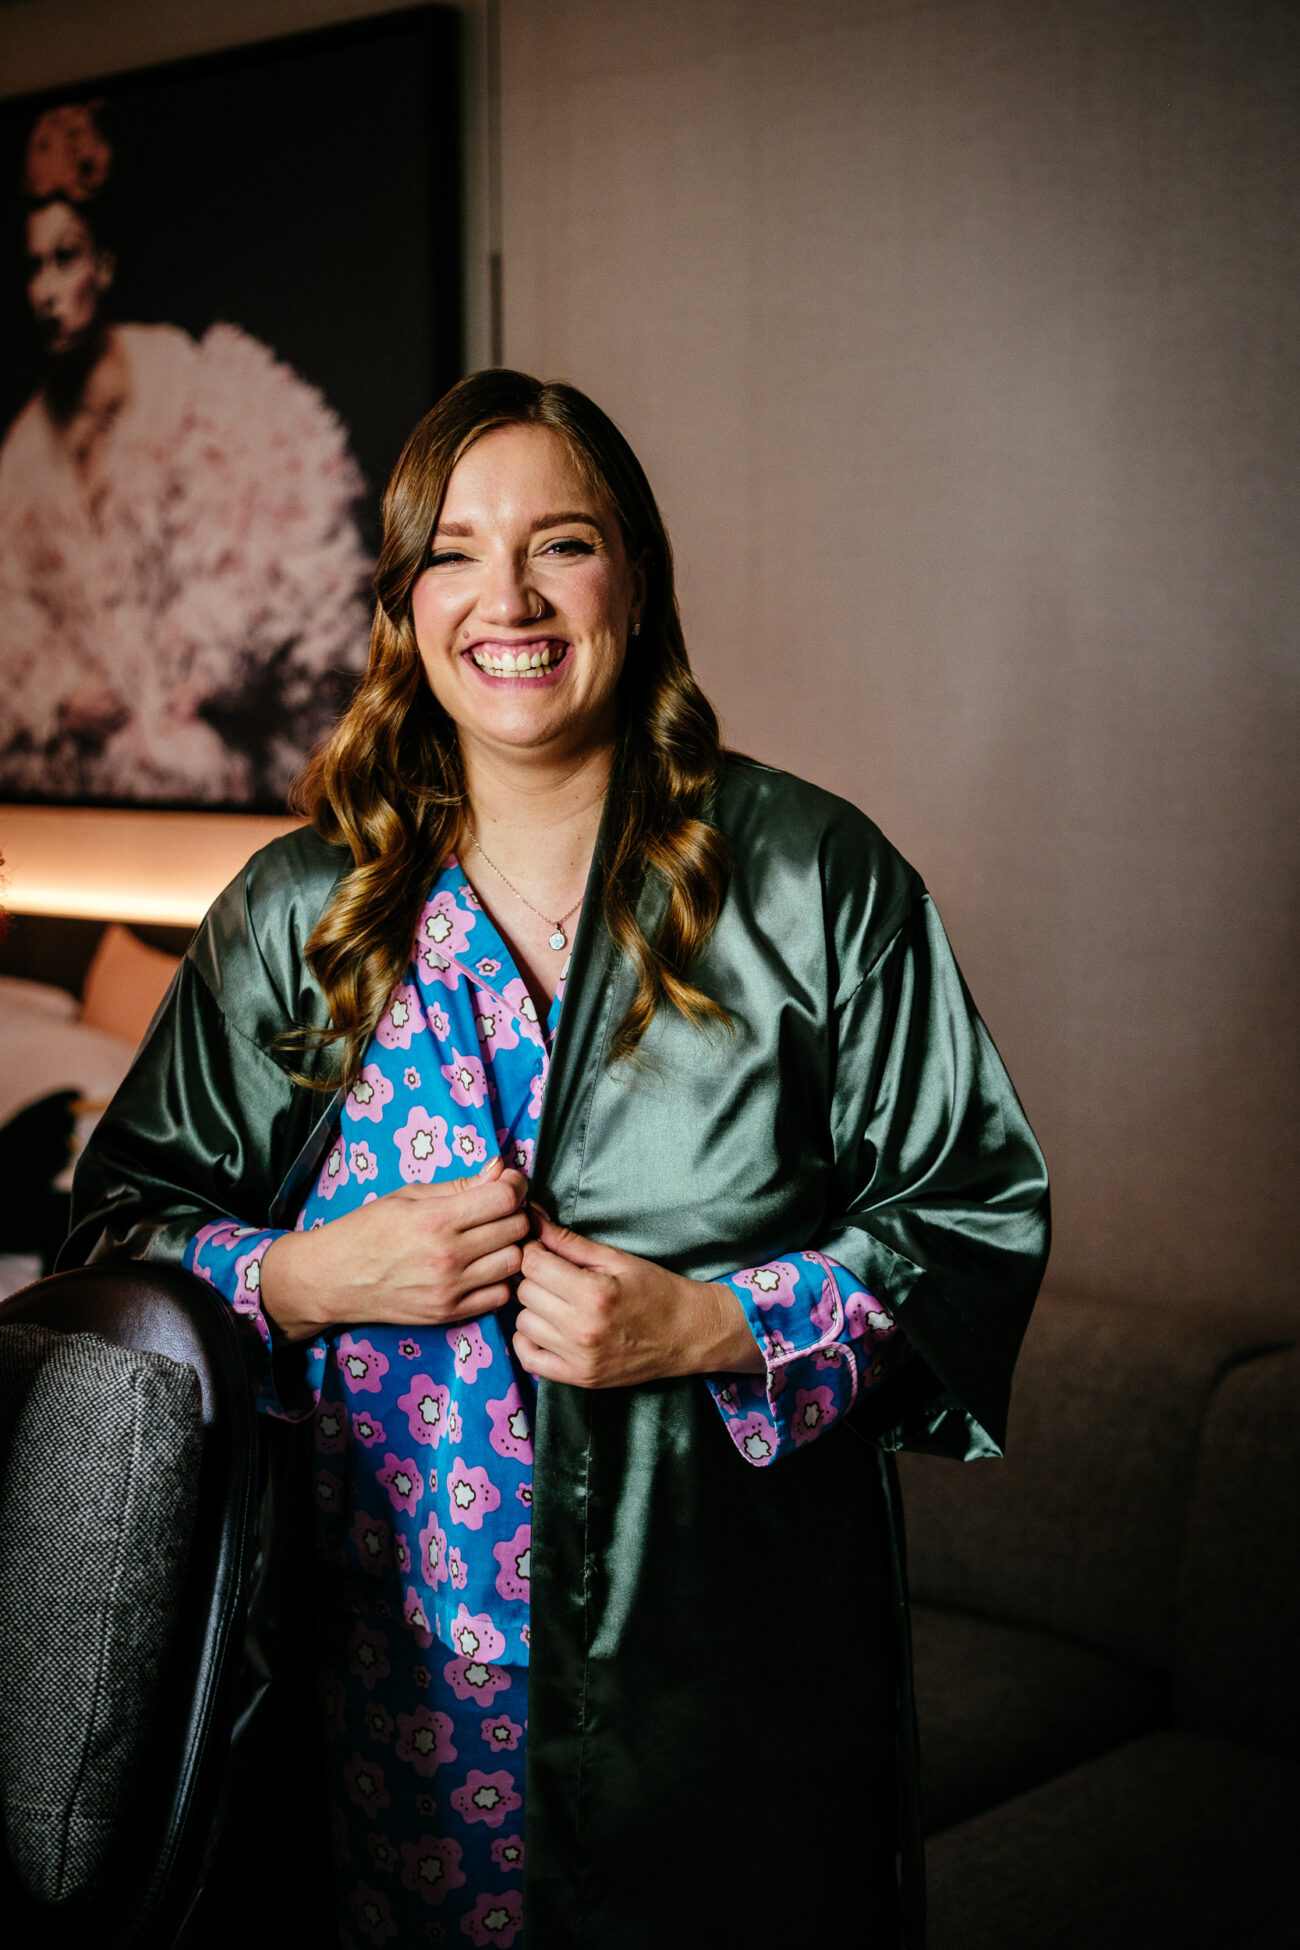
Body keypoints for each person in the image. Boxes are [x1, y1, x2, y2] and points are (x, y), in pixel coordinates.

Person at [64, 368, 1050, 1949]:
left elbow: (971, 1215)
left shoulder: (812, 883)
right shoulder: (298, 914)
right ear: (404, 600)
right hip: (366, 1694)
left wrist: (711, 1323)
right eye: (453, 551)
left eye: (561, 543)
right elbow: (111, 1238)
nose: (506, 598)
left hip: (708, 1686)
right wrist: (300, 1274)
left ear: (636, 581)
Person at [0, 101, 369, 804]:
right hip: (96, 796)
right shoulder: (22, 460)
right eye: (32, 268)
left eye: (65, 258)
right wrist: (56, 694)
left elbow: (283, 568)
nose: (46, 292)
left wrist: (194, 675)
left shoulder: (202, 399)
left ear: (104, 266)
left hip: (223, 775)